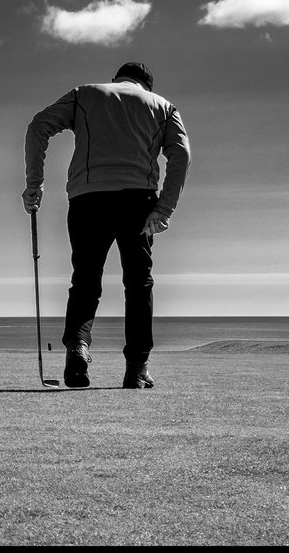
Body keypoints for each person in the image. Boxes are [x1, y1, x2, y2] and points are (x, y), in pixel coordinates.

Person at [22, 62, 190, 389]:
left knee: (85, 280)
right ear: (147, 87)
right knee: (138, 282)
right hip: (138, 202)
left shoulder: (84, 94)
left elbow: (37, 127)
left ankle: (78, 349)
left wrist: (35, 184)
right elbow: (180, 156)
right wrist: (164, 208)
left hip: (87, 200)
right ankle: (137, 367)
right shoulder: (164, 108)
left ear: (116, 80)